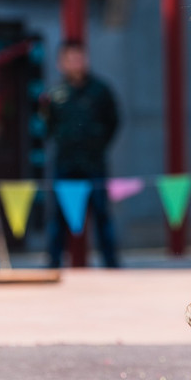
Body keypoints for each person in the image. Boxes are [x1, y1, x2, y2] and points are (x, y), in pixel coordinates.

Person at [43, 40, 120, 268]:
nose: (76, 63)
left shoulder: (101, 90)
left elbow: (113, 121)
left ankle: (111, 263)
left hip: (94, 162)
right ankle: (53, 263)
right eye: (70, 58)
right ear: (61, 63)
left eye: (80, 57)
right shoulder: (55, 94)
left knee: (102, 215)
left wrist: (98, 144)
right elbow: (48, 127)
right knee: (58, 217)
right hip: (65, 163)